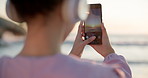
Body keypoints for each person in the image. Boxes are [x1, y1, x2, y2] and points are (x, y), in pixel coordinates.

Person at [0, 0, 132, 78]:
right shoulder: (101, 74)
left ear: (13, 9)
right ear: (72, 8)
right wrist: (110, 53)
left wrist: (74, 54)